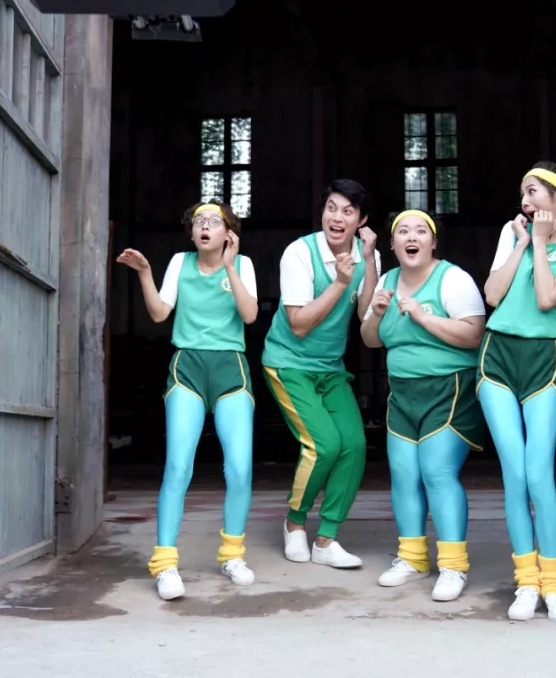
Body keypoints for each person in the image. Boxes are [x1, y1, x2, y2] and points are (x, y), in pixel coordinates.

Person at [116, 200, 259, 601]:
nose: (205, 226)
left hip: (230, 368)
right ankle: (165, 564)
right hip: (188, 367)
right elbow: (160, 313)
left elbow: (249, 315)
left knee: (240, 468)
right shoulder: (180, 262)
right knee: (178, 466)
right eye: (198, 222)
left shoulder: (243, 265)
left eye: (214, 221)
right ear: (192, 233)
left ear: (229, 233)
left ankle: (232, 555)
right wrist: (145, 272)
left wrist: (230, 267)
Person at [479, 162, 556, 622]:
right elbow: (493, 295)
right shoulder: (512, 234)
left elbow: (548, 298)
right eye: (523, 193)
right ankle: (526, 583)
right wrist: (522, 243)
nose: (525, 202)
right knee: (514, 474)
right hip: (497, 355)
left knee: (538, 473)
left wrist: (543, 244)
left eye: (532, 192)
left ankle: (554, 584)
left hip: (544, 359)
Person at [360, 209, 486, 601]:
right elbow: (370, 340)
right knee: (403, 473)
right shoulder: (386, 281)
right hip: (402, 393)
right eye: (402, 231)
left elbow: (473, 334)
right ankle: (413, 558)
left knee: (438, 471)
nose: (411, 237)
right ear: (393, 244)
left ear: (433, 241)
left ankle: (453, 566)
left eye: (420, 231)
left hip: (449, 389)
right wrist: (376, 313)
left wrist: (421, 315)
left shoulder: (452, 278)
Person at [261, 179, 381, 568]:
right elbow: (298, 324)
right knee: (323, 445)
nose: (337, 217)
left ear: (361, 220)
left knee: (355, 445)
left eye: (348, 211)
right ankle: (295, 523)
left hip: (330, 368)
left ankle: (326, 540)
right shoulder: (299, 252)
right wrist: (341, 282)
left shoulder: (365, 256)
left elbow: (365, 314)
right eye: (331, 208)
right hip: (289, 364)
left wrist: (369, 262)